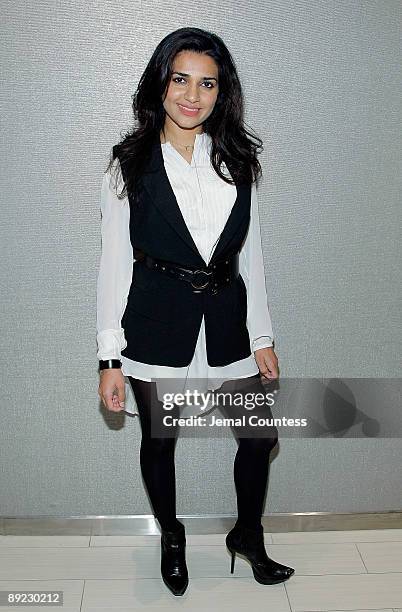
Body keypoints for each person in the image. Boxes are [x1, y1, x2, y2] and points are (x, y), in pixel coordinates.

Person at [96, 27, 295, 596]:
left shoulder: (238, 159)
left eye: (207, 83)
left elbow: (250, 254)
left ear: (220, 92)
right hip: (156, 322)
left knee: (259, 437)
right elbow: (113, 265)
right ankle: (172, 535)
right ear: (161, 84)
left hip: (229, 320)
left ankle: (248, 535)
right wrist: (110, 357)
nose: (192, 94)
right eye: (180, 78)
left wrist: (262, 333)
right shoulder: (126, 166)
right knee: (161, 439)